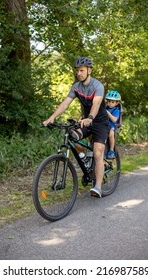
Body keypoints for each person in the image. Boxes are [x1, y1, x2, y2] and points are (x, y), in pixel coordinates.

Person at [43, 57, 109, 198]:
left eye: (82, 70)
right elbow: (65, 103)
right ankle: (84, 158)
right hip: (85, 121)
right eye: (77, 71)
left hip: (100, 122)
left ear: (89, 70)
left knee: (98, 153)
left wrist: (90, 118)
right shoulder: (76, 87)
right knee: (72, 136)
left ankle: (97, 186)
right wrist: (52, 117)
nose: (79, 73)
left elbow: (96, 104)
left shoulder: (97, 86)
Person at [105, 90, 121, 159]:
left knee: (111, 134)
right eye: (108, 101)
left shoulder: (116, 110)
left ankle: (111, 150)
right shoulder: (105, 108)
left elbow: (114, 119)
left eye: (112, 102)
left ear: (117, 103)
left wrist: (107, 113)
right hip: (104, 125)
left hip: (112, 126)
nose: (110, 103)